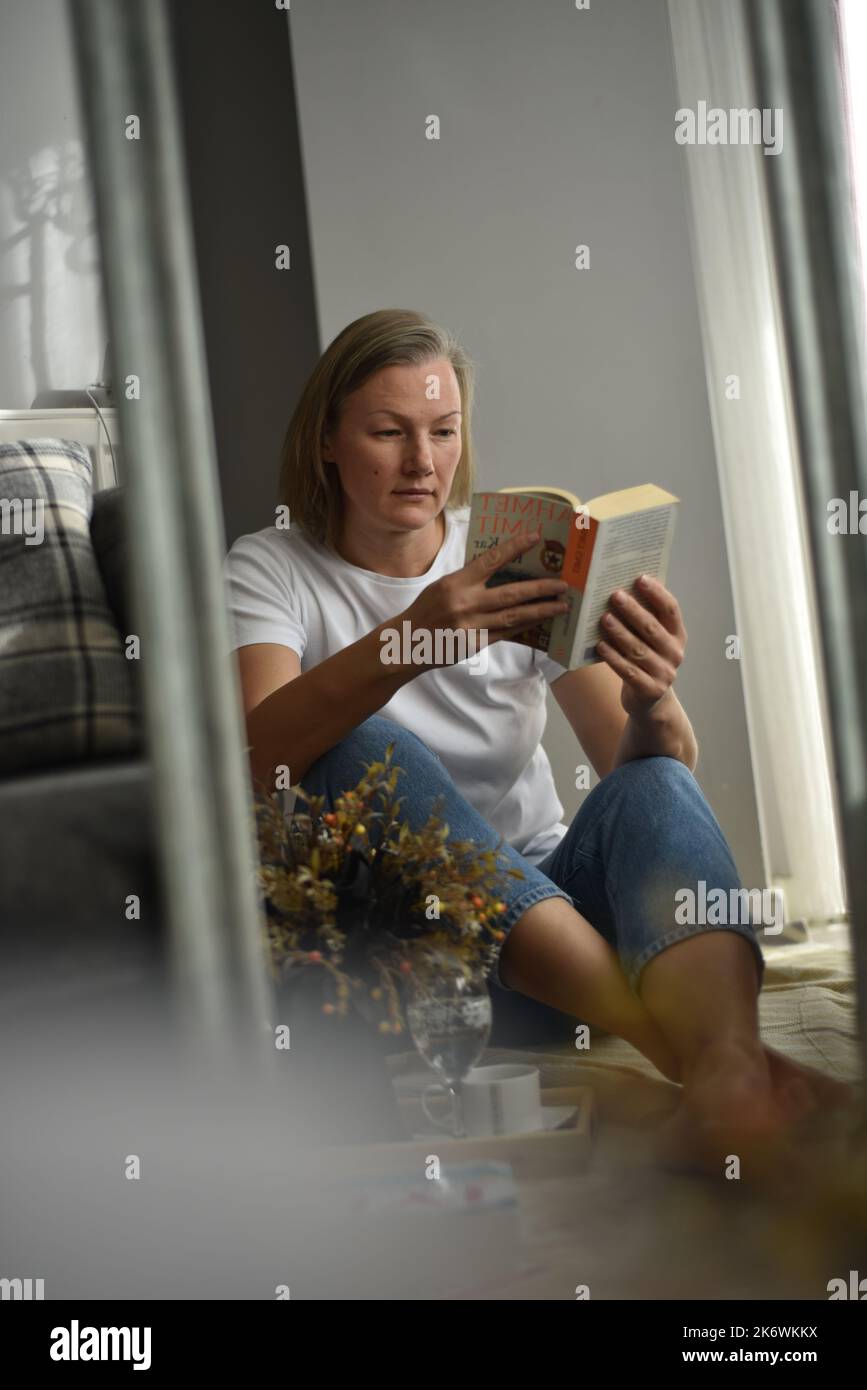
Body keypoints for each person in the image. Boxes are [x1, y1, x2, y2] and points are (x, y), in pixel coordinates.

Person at [224, 308, 850, 1171]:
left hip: (567, 935)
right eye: (388, 432)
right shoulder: (271, 566)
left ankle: (729, 1065)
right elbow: (261, 758)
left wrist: (650, 696)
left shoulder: (514, 552)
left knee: (656, 781)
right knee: (362, 746)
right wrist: (410, 641)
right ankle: (686, 1054)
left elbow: (648, 775)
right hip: (433, 966)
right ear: (328, 439)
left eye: (443, 432)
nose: (423, 462)